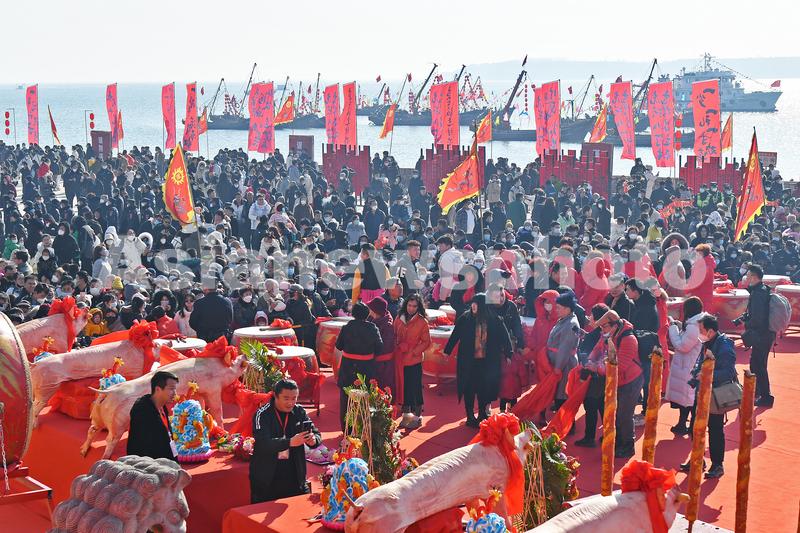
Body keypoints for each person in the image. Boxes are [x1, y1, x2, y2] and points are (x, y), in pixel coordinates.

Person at [680, 315, 737, 479]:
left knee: (715, 429)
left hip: (716, 394)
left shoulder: (724, 345)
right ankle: (698, 459)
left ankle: (717, 464)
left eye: (701, 330)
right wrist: (695, 374)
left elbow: (728, 372)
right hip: (702, 392)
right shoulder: (708, 342)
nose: (699, 333)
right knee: (694, 427)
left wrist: (706, 374)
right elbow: (700, 362)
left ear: (710, 331)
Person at [444, 293, 512, 428]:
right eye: (473, 303)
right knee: (468, 388)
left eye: (477, 303)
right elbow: (455, 335)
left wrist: (508, 353)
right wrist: (447, 351)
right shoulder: (465, 318)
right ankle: (470, 415)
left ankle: (482, 414)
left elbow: (504, 337)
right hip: (468, 361)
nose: (474, 306)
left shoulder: (494, 319)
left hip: (486, 362)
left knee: (484, 389)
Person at [250, 379, 321, 503]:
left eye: (294, 398)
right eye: (286, 398)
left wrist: (313, 440)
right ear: (275, 396)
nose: (291, 403)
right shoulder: (262, 414)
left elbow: (316, 434)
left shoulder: (299, 411)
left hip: (295, 477)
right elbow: (262, 443)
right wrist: (289, 442)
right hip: (268, 478)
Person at [595, 310, 643, 458]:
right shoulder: (614, 335)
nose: (602, 330)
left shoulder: (628, 339)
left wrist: (599, 368)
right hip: (620, 380)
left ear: (614, 326)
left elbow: (620, 367)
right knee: (617, 413)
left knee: (625, 414)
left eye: (604, 327)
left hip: (631, 380)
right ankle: (618, 441)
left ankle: (628, 446)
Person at [335, 302, 383, 430]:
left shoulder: (346, 327)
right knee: (366, 398)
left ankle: (347, 430)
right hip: (366, 368)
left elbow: (339, 346)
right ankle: (364, 429)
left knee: (346, 399)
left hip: (347, 367)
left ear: (353, 314)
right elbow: (379, 348)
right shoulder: (372, 328)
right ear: (367, 315)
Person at [666, 296, 704, 435]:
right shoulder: (697, 323)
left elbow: (682, 346)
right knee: (689, 398)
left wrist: (673, 328)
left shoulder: (694, 326)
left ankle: (686, 425)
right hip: (689, 364)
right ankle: (685, 424)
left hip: (688, 365)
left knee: (688, 398)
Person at [574, 304, 610, 447]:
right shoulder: (604, 332)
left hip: (593, 375)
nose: (589, 318)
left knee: (591, 407)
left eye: (592, 315)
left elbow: (586, 355)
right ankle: (607, 434)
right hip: (603, 375)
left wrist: (583, 375)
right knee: (602, 406)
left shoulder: (596, 335)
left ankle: (589, 438)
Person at [393, 294, 431, 429]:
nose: (411, 308)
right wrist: (397, 346)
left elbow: (426, 342)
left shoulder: (422, 322)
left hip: (414, 360)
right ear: (406, 305)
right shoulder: (399, 318)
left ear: (418, 307)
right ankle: (406, 415)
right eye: (409, 305)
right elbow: (394, 335)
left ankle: (417, 417)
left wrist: (414, 351)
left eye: (414, 306)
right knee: (403, 388)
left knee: (415, 389)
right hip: (400, 358)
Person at [740, 264, 775, 407]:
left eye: (748, 275)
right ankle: (758, 392)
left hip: (761, 335)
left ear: (754, 277)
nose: (746, 277)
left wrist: (747, 323)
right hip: (766, 334)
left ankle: (766, 396)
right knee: (758, 364)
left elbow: (758, 318)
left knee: (758, 365)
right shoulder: (763, 289)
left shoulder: (758, 293)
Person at [126, 370, 179, 460]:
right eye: (171, 389)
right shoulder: (142, 411)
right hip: (149, 464)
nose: (175, 393)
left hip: (166, 462)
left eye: (175, 389)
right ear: (158, 389)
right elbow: (140, 446)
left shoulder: (162, 407)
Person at [547, 291, 581, 412]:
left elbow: (564, 349)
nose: (556, 310)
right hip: (561, 362)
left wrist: (558, 367)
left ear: (567, 309)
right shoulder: (565, 319)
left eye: (558, 308)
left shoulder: (570, 324)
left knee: (563, 394)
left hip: (565, 365)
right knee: (559, 392)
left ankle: (565, 421)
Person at [190, 278, 234, 342]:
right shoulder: (227, 301)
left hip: (205, 338)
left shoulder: (199, 303)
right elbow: (230, 320)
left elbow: (192, 322)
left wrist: (202, 331)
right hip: (223, 338)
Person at [366, 297, 396, 392]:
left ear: (375, 311)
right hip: (374, 361)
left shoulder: (387, 326)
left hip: (383, 364)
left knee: (382, 391)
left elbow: (385, 347)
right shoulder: (372, 319)